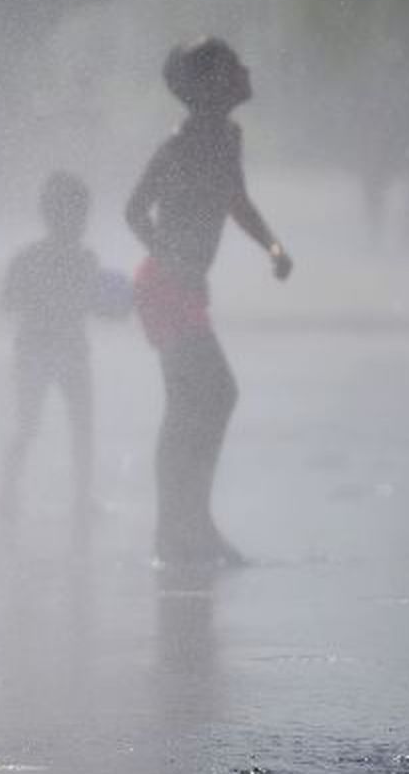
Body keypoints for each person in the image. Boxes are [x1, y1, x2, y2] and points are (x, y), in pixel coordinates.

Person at [125, 39, 293, 566]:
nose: (245, 68)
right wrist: (172, 262)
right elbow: (133, 210)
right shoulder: (181, 143)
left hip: (181, 287)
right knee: (206, 397)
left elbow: (236, 201)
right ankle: (178, 530)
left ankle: (189, 525)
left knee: (205, 400)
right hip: (163, 285)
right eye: (232, 64)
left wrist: (272, 244)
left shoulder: (227, 136)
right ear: (209, 84)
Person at [0, 171, 128, 529]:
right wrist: (53, 302)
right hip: (40, 351)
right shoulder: (41, 258)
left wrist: (119, 305)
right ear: (51, 216)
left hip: (65, 350)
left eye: (81, 215)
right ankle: (8, 490)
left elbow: (98, 306)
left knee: (77, 426)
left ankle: (78, 496)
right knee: (32, 425)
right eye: (74, 215)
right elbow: (8, 301)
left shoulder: (79, 259)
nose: (79, 223)